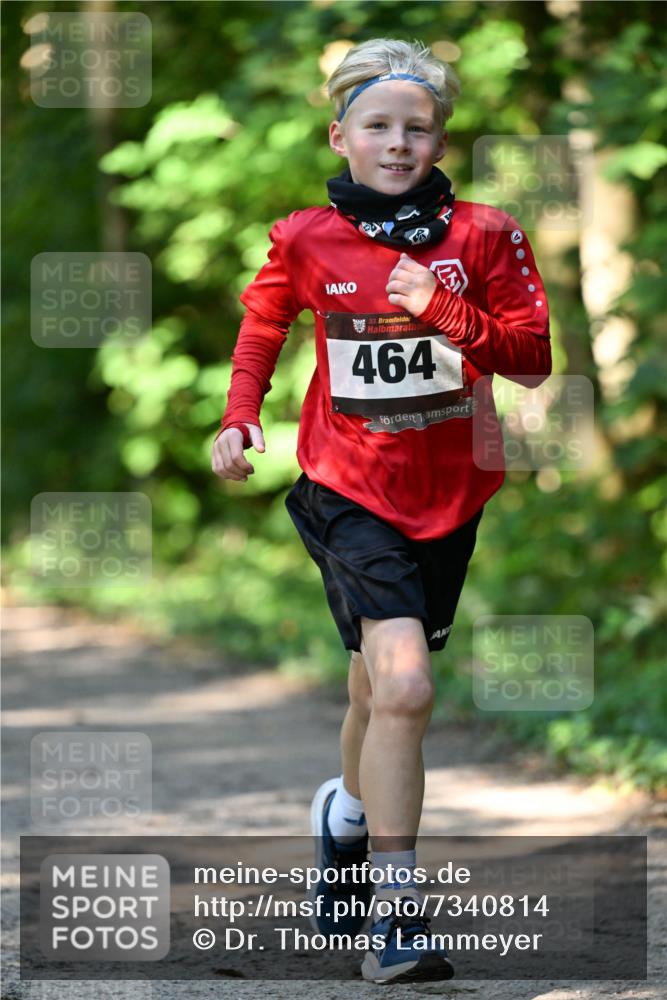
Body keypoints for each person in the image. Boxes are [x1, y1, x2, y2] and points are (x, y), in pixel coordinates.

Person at [211, 37, 551, 985]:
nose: (397, 143)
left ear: (439, 142)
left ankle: (345, 817)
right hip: (346, 488)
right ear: (341, 136)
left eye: (417, 128)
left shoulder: (484, 235)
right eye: (377, 126)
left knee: (374, 688)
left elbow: (531, 361)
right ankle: (394, 917)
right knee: (404, 688)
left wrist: (444, 311)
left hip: (451, 494)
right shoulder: (306, 236)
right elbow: (264, 321)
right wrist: (240, 415)